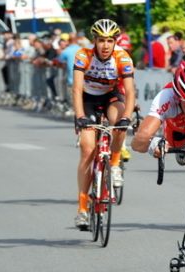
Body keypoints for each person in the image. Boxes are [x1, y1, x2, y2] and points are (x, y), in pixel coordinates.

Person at [72, 19, 135, 230]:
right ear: (94, 41)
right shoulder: (83, 56)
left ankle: (115, 164)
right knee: (88, 150)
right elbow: (76, 89)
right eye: (101, 40)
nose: (105, 45)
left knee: (119, 124)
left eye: (110, 40)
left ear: (115, 41)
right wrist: (80, 116)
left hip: (110, 97)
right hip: (87, 101)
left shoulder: (122, 57)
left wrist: (127, 116)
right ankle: (82, 209)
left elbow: (130, 91)